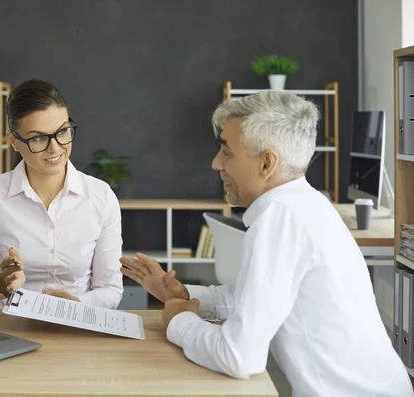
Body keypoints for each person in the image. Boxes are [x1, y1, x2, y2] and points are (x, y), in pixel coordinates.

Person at [120, 91, 413, 396]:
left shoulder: (281, 218)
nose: (215, 163)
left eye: (227, 152)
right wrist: (182, 294)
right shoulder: (304, 204)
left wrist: (179, 321)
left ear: (266, 163)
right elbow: (255, 297)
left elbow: (239, 357)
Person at [0, 79, 123, 310]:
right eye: (38, 138)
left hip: (77, 330)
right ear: (13, 141)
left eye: (62, 132)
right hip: (8, 331)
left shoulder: (101, 196)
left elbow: (111, 290)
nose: (55, 148)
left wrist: (75, 304)